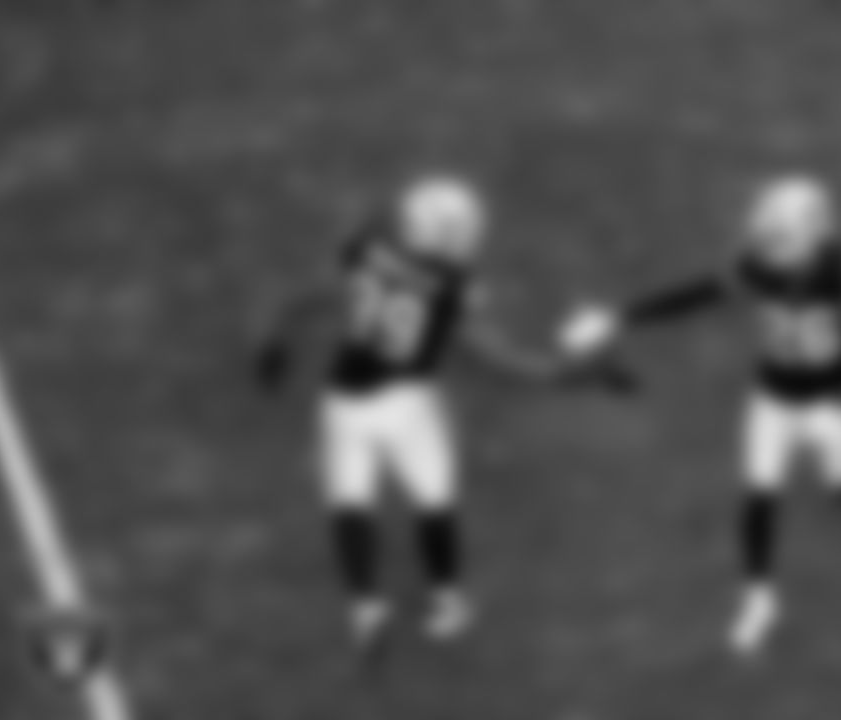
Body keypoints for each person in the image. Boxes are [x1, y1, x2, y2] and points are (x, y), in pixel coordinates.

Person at [256, 175, 629, 660]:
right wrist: (579, 377)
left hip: (344, 400)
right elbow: (502, 364)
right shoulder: (449, 295)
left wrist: (276, 341)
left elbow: (314, 294)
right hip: (407, 404)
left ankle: (366, 607)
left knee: (350, 502)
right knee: (435, 500)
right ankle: (447, 601)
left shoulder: (367, 254)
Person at [558, 174, 841, 657]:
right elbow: (701, 293)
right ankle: (759, 597)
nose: (770, 249)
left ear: (815, 234)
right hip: (772, 395)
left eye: (781, 238)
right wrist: (620, 316)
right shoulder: (762, 264)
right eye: (768, 237)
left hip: (832, 400)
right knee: (759, 494)